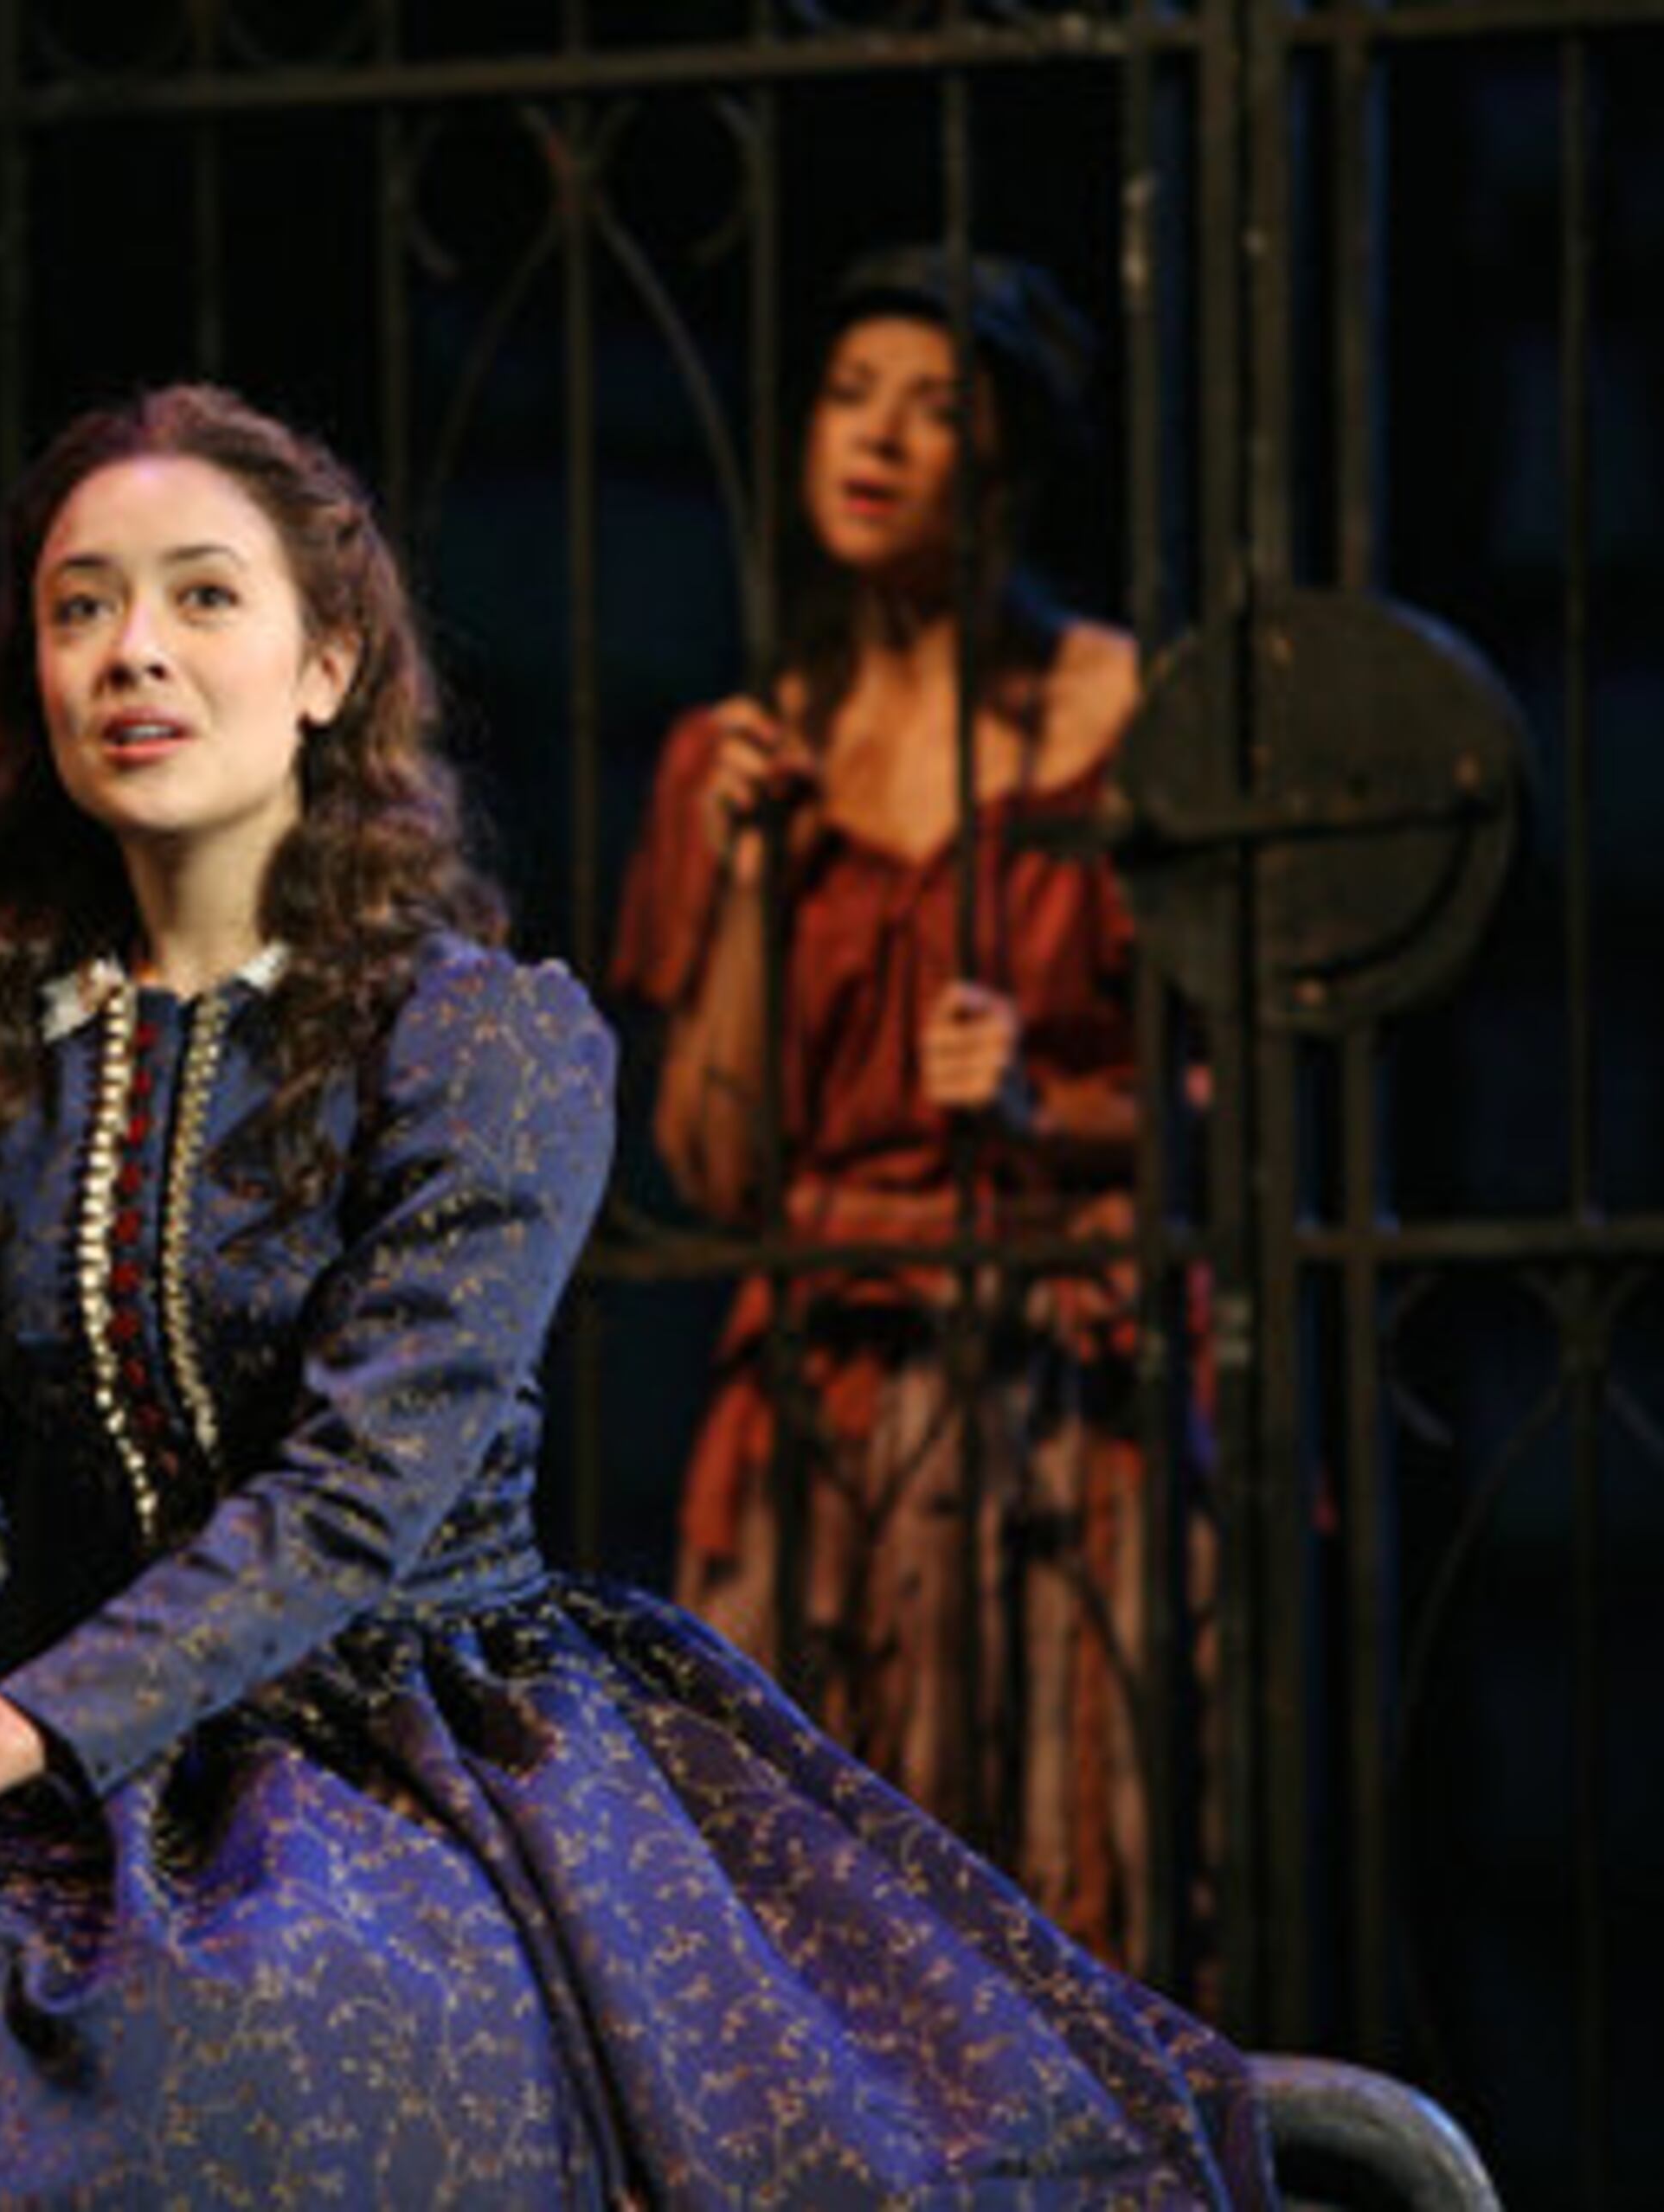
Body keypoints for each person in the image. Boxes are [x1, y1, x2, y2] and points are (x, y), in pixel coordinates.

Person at [0, 383, 1269, 2204]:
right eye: (80, 606)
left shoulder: (480, 1039)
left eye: (203, 595)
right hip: (61, 1748)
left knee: (286, 2015)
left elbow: (354, 1497)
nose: (131, 650)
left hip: (417, 1754)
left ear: (330, 664)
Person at [609, 246, 1194, 1973]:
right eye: (850, 397)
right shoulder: (747, 746)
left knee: (1078, 1847)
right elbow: (712, 1164)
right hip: (830, 1376)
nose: (876, 438)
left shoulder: (1127, 713)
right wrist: (741, 885)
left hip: (1068, 1359)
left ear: (1009, 460)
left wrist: (1047, 1106)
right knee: (819, 1876)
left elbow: (1248, 1102)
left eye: (936, 409)